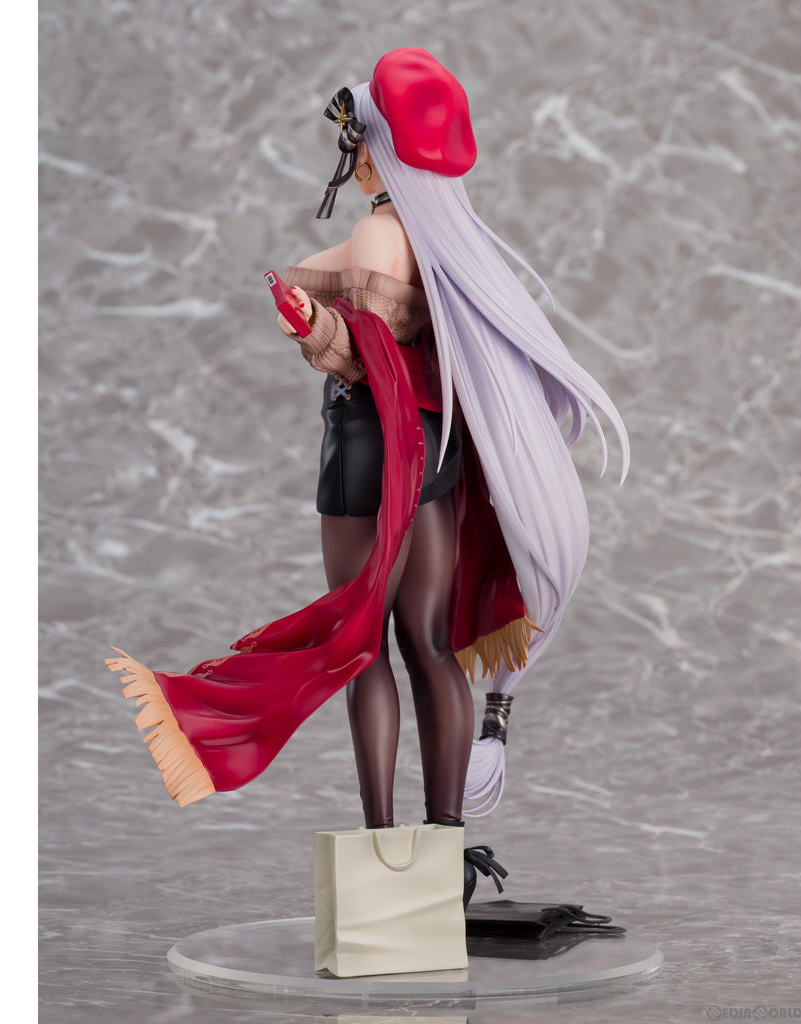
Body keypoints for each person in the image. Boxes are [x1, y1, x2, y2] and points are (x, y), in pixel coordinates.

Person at [106, 48, 629, 827]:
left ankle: (381, 844)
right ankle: (442, 842)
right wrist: (310, 308)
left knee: (364, 646)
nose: (352, 164)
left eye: (357, 148)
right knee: (430, 644)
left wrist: (316, 330)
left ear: (377, 156)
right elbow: (336, 296)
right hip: (434, 454)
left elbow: (372, 355)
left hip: (371, 448)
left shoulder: (380, 234)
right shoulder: (447, 244)